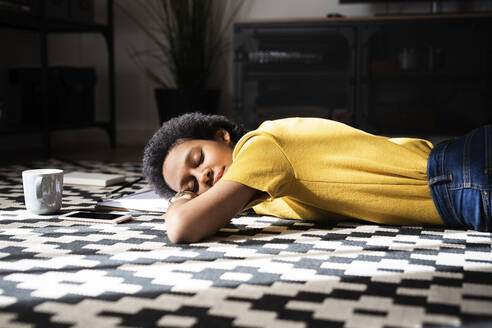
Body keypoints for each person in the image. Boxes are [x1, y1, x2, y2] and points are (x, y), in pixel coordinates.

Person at [143, 112, 492, 243]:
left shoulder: (261, 149)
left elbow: (182, 228)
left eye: (198, 159)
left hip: (464, 178)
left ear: (222, 136)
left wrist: (182, 198)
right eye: (193, 183)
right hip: (459, 179)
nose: (202, 176)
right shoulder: (259, 198)